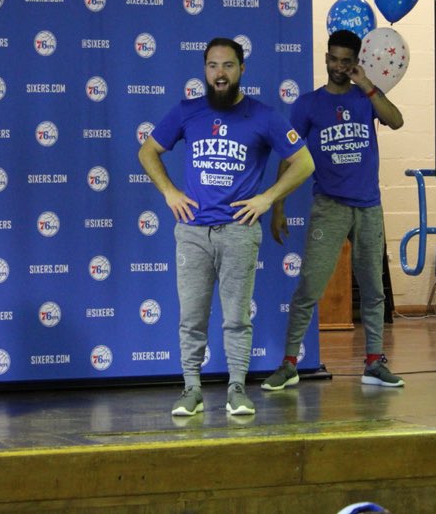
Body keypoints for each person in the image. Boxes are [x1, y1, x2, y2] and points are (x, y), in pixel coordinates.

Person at [138, 37, 314, 416]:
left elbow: (304, 162)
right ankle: (191, 390)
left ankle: (237, 389)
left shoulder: (264, 116)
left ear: (241, 70)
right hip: (193, 232)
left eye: (228, 66)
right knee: (192, 318)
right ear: (204, 70)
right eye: (213, 66)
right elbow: (147, 150)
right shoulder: (187, 111)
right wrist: (170, 192)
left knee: (236, 318)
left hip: (238, 231)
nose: (220, 73)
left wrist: (267, 198)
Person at [262, 29, 405, 392]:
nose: (339, 66)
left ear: (355, 62)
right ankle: (289, 363)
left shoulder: (364, 97)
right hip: (329, 205)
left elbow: (397, 119)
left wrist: (369, 84)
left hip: (369, 206)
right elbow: (289, 156)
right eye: (334, 59)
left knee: (373, 289)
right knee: (310, 285)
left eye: (346, 60)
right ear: (325, 58)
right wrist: (278, 206)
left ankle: (374, 363)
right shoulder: (309, 104)